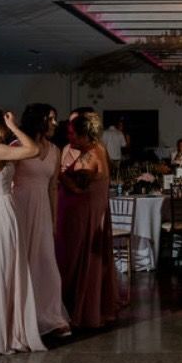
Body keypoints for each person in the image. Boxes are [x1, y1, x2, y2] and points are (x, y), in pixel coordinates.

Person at [0, 108, 46, 355]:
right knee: (3, 270)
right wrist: (15, 126)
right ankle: (0, 333)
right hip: (0, 211)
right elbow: (34, 150)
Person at [56, 110, 119, 330]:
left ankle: (76, 309)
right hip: (86, 215)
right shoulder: (98, 149)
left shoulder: (91, 156)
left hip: (82, 218)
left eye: (73, 134)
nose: (69, 138)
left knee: (73, 261)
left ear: (84, 135)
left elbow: (76, 188)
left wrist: (58, 172)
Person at [12, 103, 71, 337]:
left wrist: (54, 219)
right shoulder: (17, 146)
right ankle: (20, 316)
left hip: (43, 210)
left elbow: (53, 187)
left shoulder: (55, 151)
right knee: (22, 261)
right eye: (51, 118)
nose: (55, 123)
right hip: (19, 207)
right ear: (39, 121)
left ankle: (50, 315)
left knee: (45, 261)